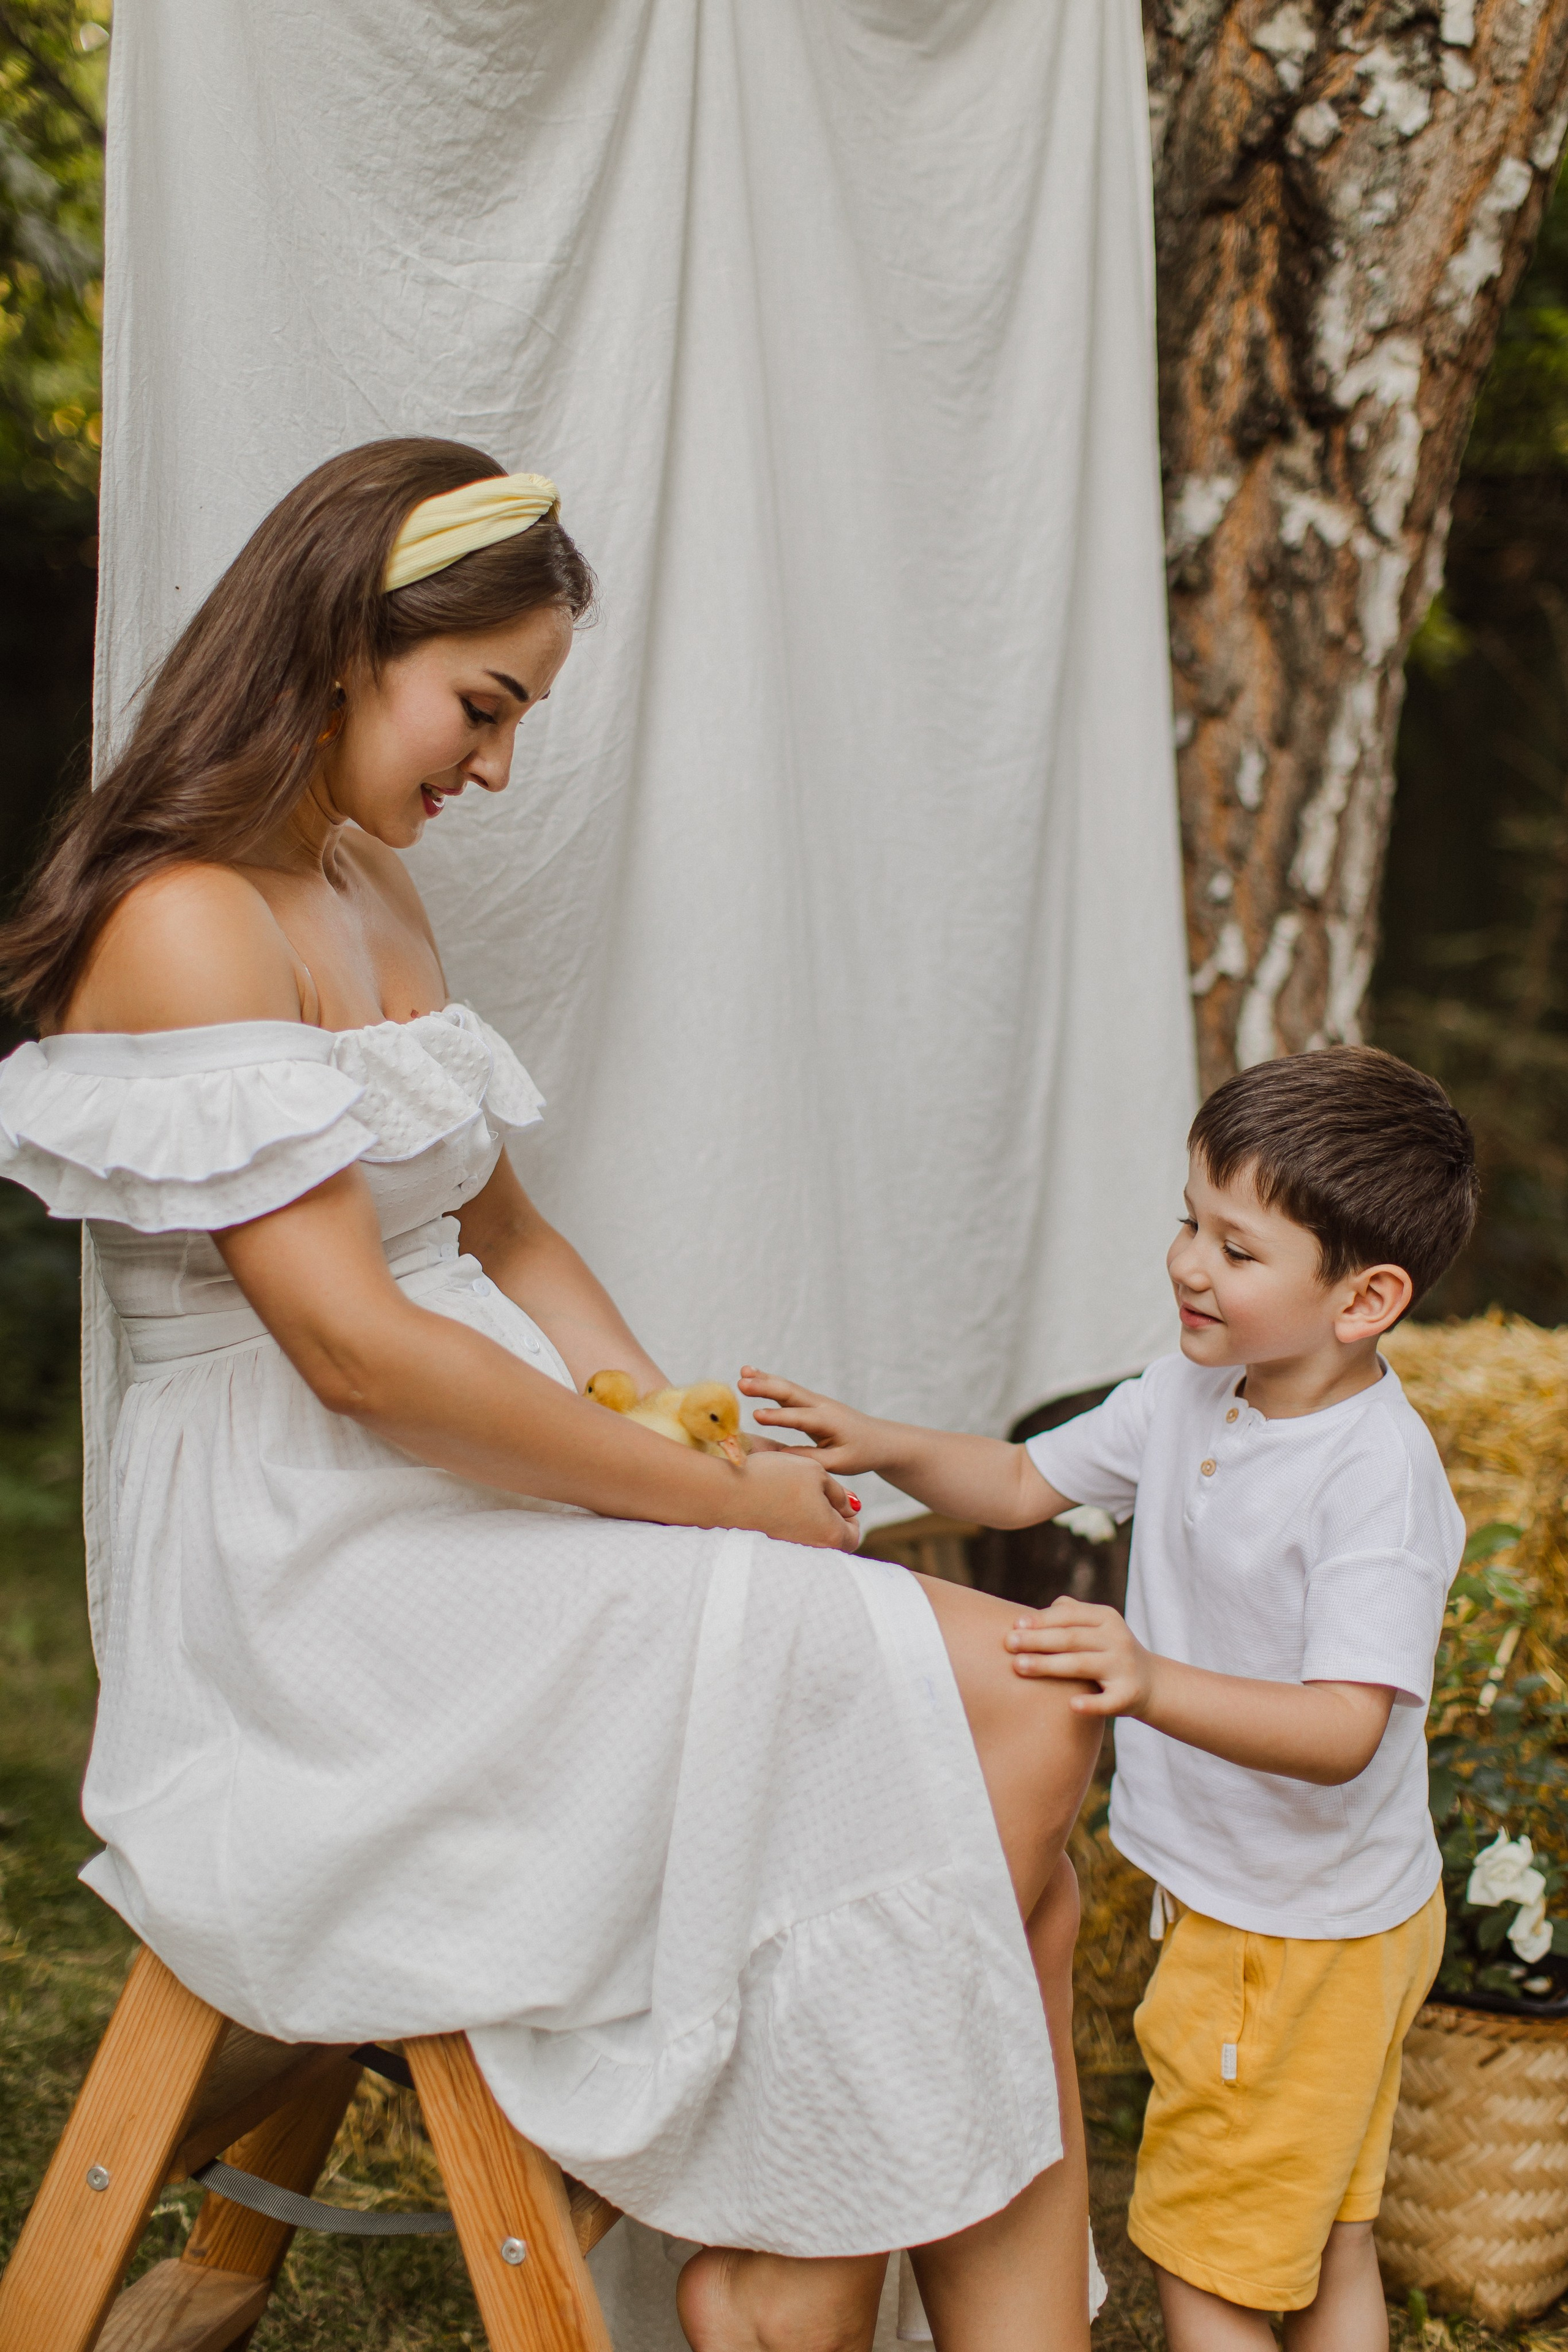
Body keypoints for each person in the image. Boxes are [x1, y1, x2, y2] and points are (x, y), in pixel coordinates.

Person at [0, 440, 1105, 2352]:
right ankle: (786, 2280)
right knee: (1013, 1716)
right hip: (316, 1578)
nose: (494, 767)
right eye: (482, 706)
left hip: (466, 1486)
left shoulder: (357, 882)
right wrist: (706, 1502)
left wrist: (643, 1402)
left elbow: (503, 1235)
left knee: (1021, 1755)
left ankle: (825, 2284)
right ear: (348, 642)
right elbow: (356, 1349)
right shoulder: (188, 921)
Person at [743, 1044, 1478, 2352]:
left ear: (1362, 1299)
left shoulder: (1371, 1482)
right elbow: (1024, 1482)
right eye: (1187, 1220)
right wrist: (888, 1442)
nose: (1188, 1264)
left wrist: (1144, 1681)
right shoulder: (1198, 1387)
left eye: (1236, 1250)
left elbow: (1341, 1730)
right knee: (1323, 2239)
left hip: (1288, 1938)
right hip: (1310, 1913)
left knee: (1207, 2270)